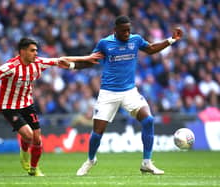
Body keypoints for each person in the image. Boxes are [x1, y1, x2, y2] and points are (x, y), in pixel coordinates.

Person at [0, 37, 101, 176]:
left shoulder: (38, 62)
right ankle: (24, 154)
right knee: (29, 135)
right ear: (22, 51)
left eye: (36, 50)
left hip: (27, 104)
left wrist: (87, 58)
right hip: (9, 106)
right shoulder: (11, 67)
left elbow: (62, 60)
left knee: (37, 140)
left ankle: (34, 169)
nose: (36, 53)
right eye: (32, 50)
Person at [69, 15, 183, 176]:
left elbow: (150, 49)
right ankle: (90, 160)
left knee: (148, 120)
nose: (127, 33)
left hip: (129, 91)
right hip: (108, 93)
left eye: (129, 30)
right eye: (124, 31)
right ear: (115, 30)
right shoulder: (105, 43)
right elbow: (90, 61)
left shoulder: (135, 40)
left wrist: (171, 40)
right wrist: (73, 65)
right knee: (97, 133)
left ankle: (147, 163)